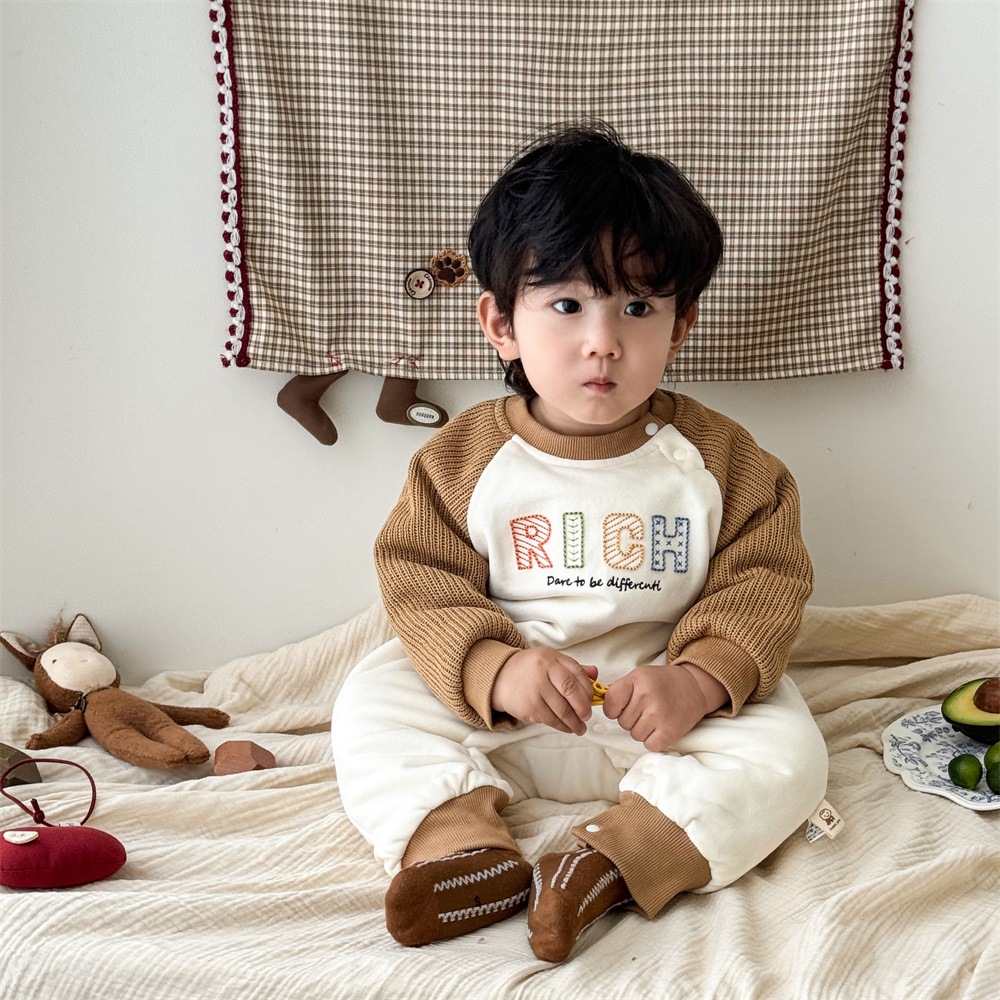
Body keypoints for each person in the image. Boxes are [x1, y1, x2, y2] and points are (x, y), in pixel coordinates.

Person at [331, 123, 828, 963]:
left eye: (638, 307)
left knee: (793, 753)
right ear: (501, 324)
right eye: (567, 304)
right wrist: (497, 669)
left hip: (661, 714)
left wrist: (703, 679)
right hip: (500, 713)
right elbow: (421, 583)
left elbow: (765, 580)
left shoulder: (723, 460)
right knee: (369, 704)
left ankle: (612, 858)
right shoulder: (462, 458)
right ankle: (459, 846)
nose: (604, 340)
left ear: (679, 326)